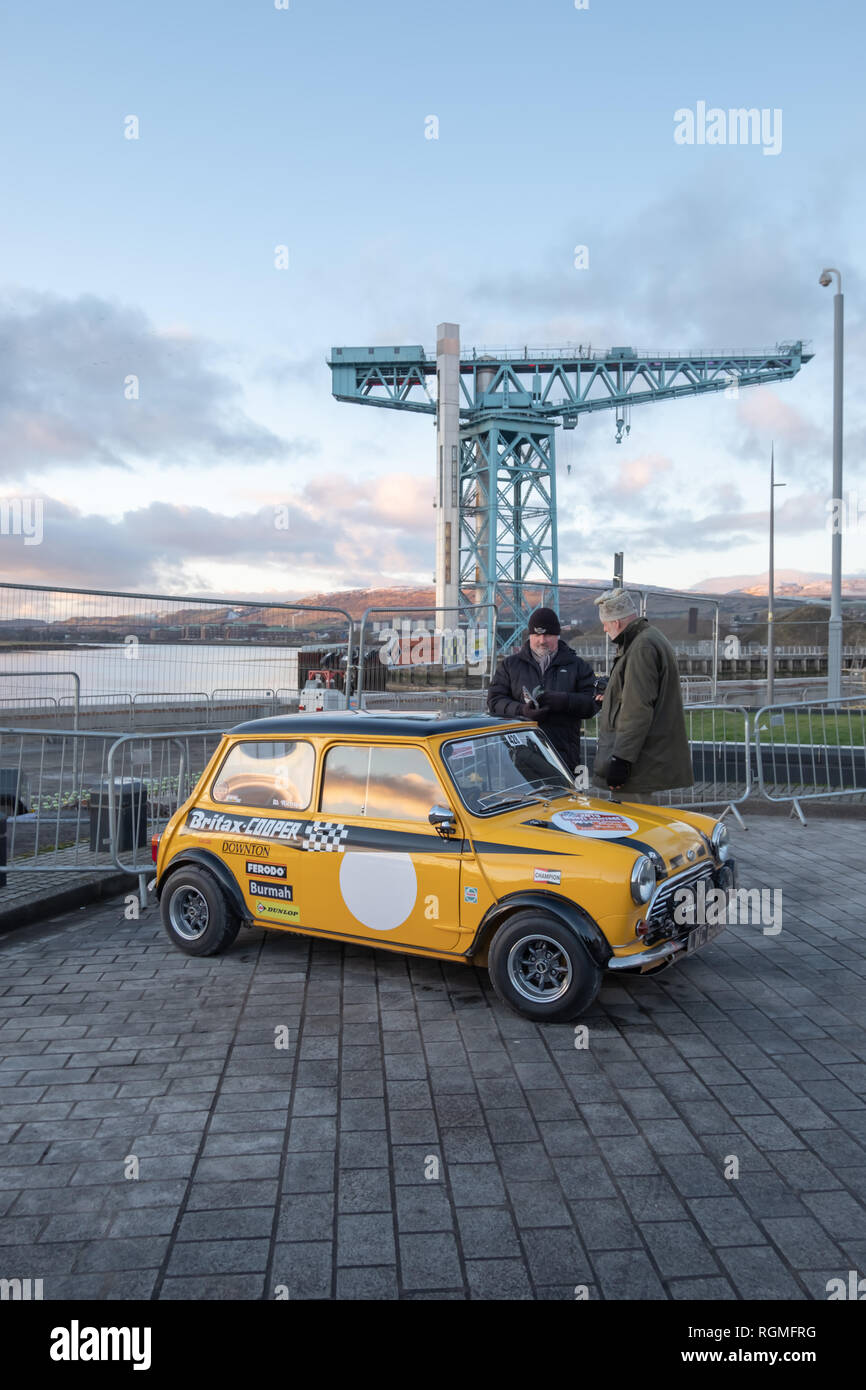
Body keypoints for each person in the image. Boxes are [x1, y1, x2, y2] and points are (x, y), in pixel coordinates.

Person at [591, 588, 693, 804]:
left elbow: (637, 709)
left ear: (616, 623)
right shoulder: (647, 638)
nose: (604, 628)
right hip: (645, 756)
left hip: (638, 763)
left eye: (605, 623)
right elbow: (636, 694)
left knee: (634, 824)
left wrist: (621, 759)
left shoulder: (640, 647)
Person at [487, 607, 599, 773]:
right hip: (518, 756)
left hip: (563, 757)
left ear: (557, 635)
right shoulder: (510, 665)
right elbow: (494, 701)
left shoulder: (577, 665)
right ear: (530, 635)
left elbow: (592, 702)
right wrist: (522, 710)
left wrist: (565, 701)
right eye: (537, 635)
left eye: (547, 635)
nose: (542, 640)